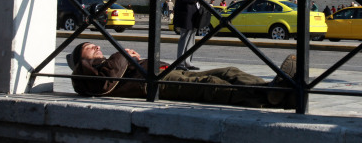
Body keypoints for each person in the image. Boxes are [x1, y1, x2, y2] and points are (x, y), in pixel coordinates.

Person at [68, 42, 297, 109]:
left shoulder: (106, 62)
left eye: (97, 45)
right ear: (81, 57)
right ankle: (276, 94)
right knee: (211, 84)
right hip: (153, 84)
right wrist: (124, 56)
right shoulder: (83, 70)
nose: (97, 47)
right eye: (90, 47)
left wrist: (133, 59)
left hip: (165, 73)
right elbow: (105, 85)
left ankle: (275, 91)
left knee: (229, 71)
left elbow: (114, 73)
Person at [174, 0, 206, 70]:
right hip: (185, 17)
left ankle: (188, 62)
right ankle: (180, 63)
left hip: (194, 17)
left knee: (191, 40)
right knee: (184, 39)